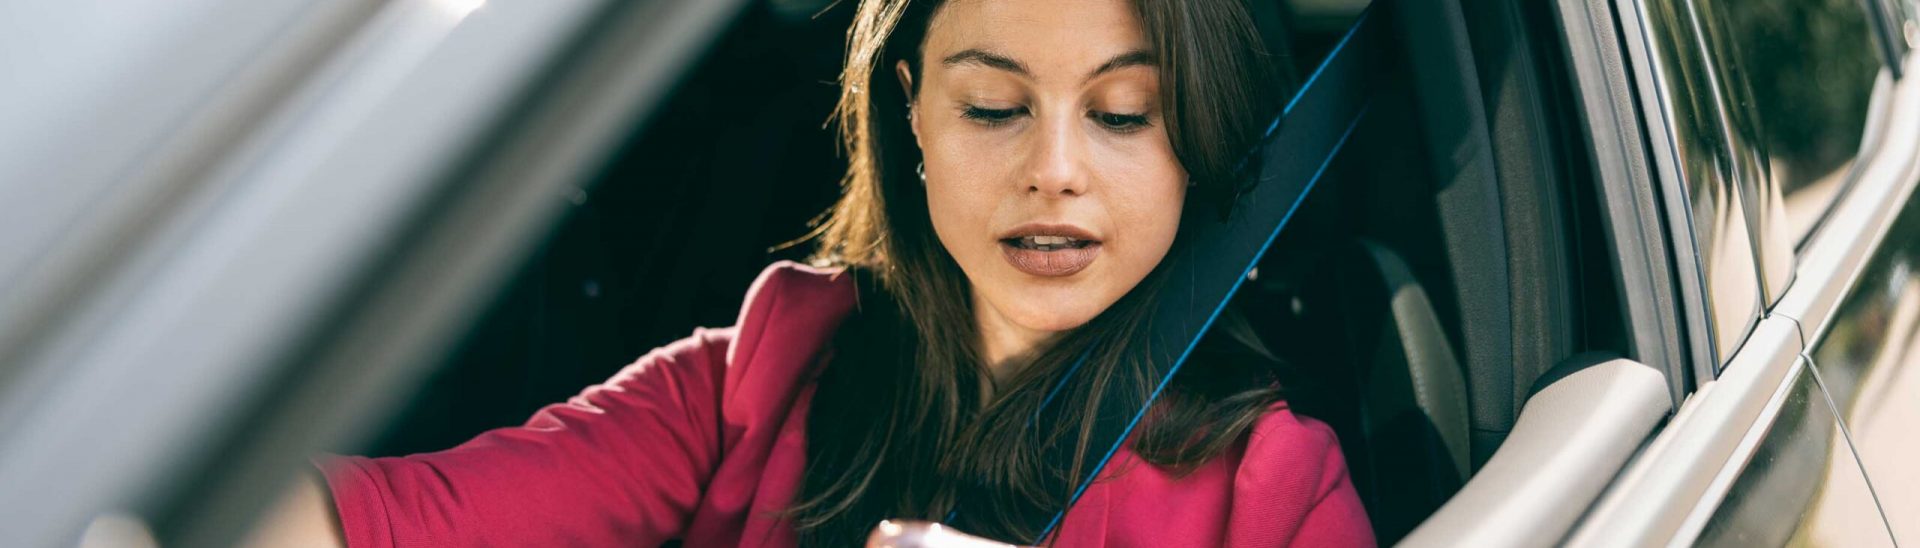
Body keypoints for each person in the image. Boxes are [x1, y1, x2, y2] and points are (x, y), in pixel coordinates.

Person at [246, 0, 1374, 545]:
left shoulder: (1269, 489)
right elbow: (391, 524)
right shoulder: (764, 374)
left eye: (1125, 115)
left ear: (1200, 140)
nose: (1056, 171)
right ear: (914, 117)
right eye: (993, 105)